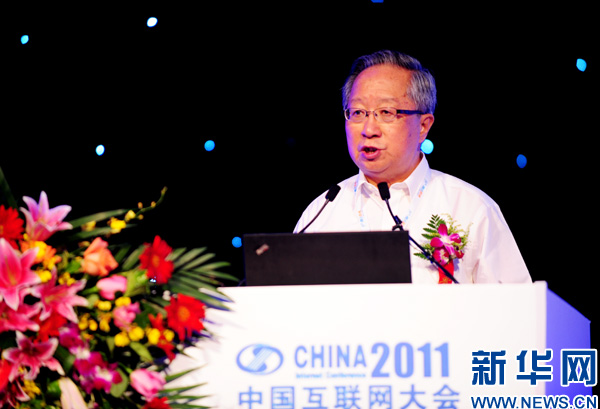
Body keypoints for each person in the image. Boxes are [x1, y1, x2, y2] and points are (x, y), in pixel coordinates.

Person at [294, 50, 531, 284]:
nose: (369, 129)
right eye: (357, 112)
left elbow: (517, 304)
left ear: (423, 126)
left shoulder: (470, 208)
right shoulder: (320, 214)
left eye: (386, 112)